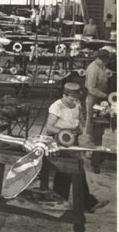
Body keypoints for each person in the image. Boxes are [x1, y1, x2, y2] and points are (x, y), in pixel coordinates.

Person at [45, 82, 109, 213]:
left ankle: (73, 202)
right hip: (60, 141)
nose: (73, 101)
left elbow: (79, 119)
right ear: (64, 95)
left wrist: (79, 129)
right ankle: (70, 202)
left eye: (75, 99)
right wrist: (64, 132)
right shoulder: (56, 107)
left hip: (73, 141)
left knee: (75, 169)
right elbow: (49, 127)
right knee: (67, 170)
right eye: (71, 99)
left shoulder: (77, 103)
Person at [85, 49, 110, 139]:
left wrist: (107, 71)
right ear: (103, 59)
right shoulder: (93, 69)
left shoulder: (101, 65)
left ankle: (98, 136)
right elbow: (91, 88)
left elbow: (104, 70)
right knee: (91, 118)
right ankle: (89, 139)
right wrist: (105, 96)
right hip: (93, 96)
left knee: (101, 115)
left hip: (100, 95)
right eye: (106, 61)